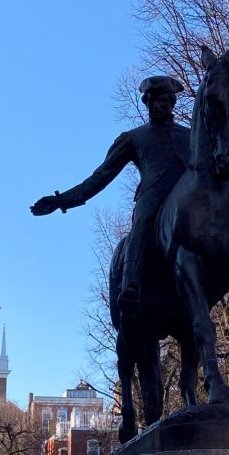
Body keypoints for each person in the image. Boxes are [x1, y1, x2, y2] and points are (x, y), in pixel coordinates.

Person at [31, 75, 189, 315]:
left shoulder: (191, 136)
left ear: (172, 102)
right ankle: (131, 283)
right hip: (153, 194)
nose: (157, 106)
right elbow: (100, 177)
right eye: (151, 102)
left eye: (163, 101)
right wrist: (61, 200)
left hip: (188, 197)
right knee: (142, 223)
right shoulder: (133, 138)